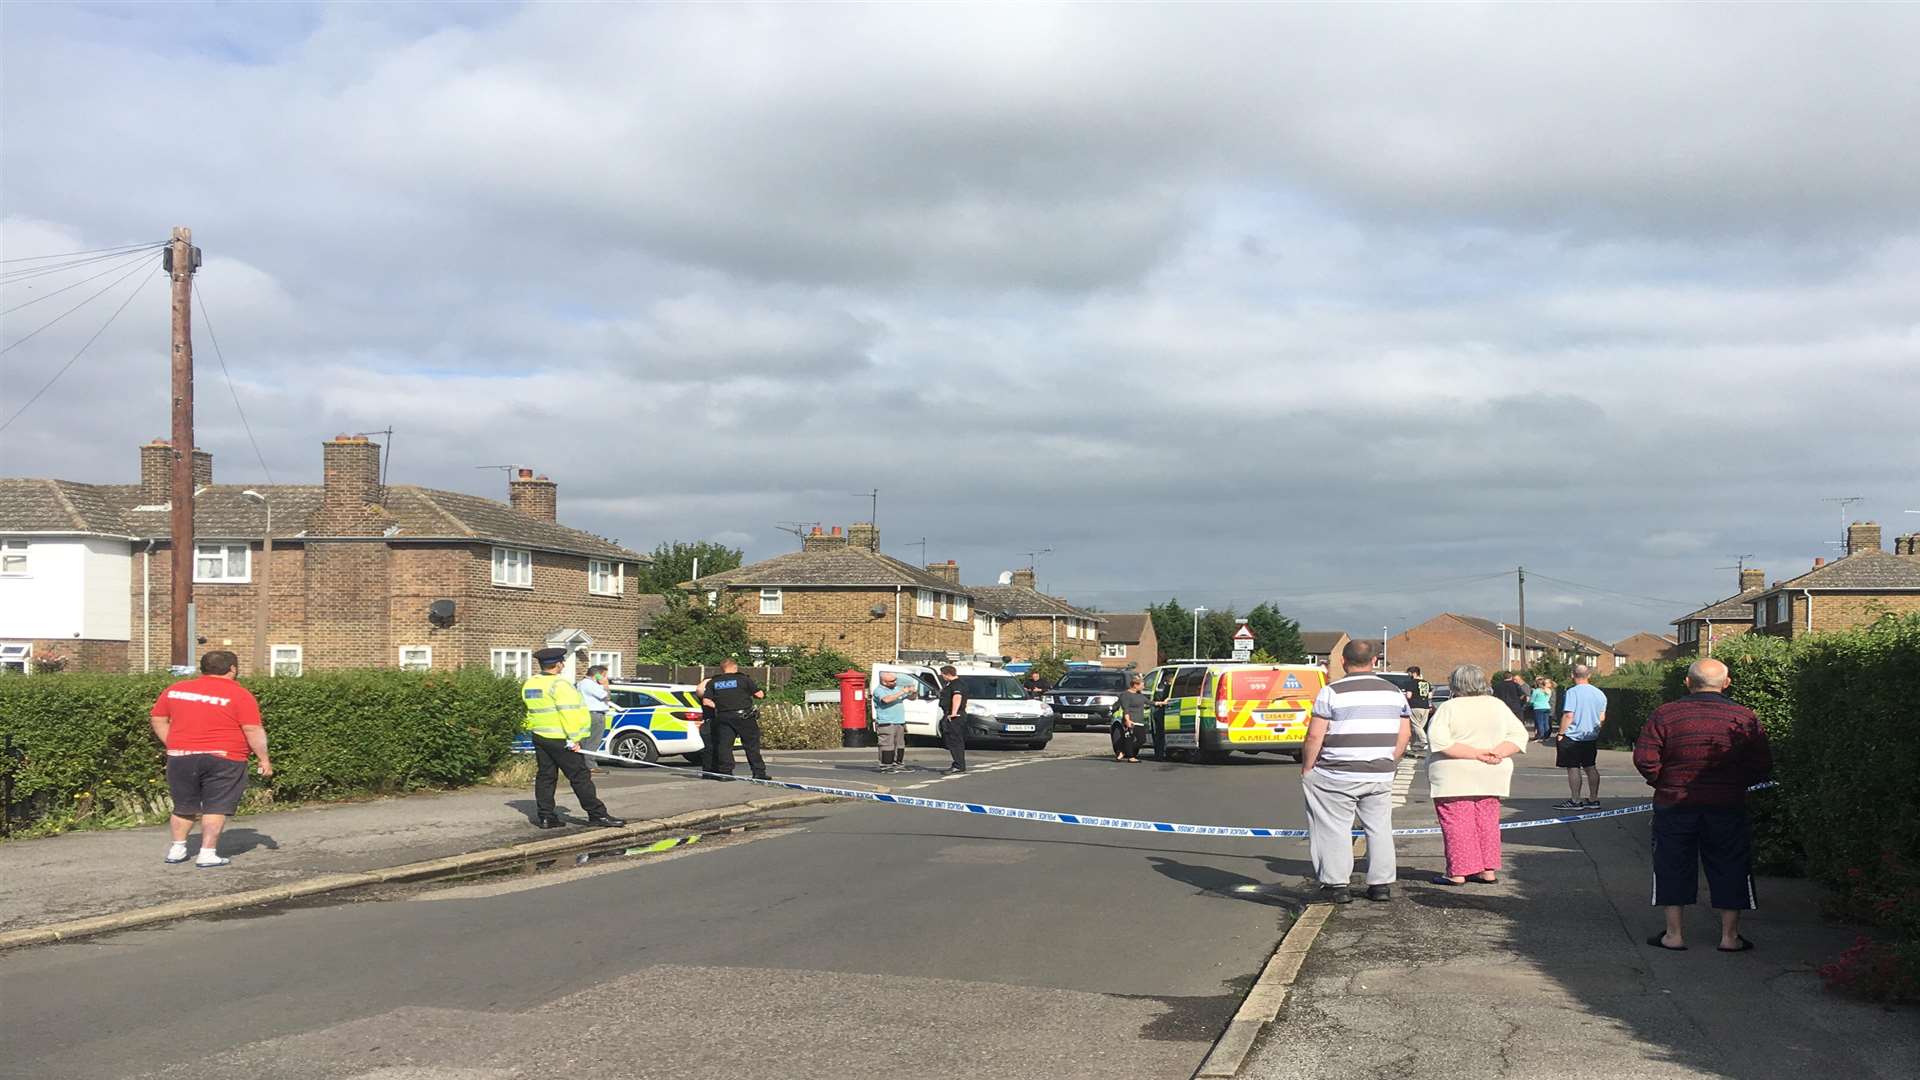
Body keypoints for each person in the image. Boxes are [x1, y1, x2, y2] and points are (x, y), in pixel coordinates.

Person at [1633, 658, 1772, 952]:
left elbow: (1645, 758)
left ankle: (1674, 934)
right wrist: (1736, 783)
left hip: (1674, 802)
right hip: (1727, 804)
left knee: (1672, 863)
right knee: (1731, 864)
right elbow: (1762, 763)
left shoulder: (1665, 715)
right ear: (1727, 683)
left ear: (1687, 682)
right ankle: (1729, 937)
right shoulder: (1744, 718)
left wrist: (1665, 781)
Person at [1301, 639, 1410, 903]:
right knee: (1379, 828)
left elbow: (1315, 736)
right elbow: (1404, 735)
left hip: (1337, 773)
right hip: (1380, 773)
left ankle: (1338, 886)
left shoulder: (1331, 692)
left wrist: (1307, 768)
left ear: (1343, 662)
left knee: (1334, 828)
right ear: (1375, 662)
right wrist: (1388, 761)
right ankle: (1380, 884)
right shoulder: (1394, 692)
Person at [149, 650, 271, 867]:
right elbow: (252, 729)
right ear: (232, 669)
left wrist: (174, 743)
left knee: (184, 805)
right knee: (216, 805)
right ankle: (207, 853)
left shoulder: (176, 690)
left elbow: (158, 718)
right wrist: (264, 759)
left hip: (181, 756)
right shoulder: (240, 695)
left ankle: (177, 849)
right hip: (225, 757)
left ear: (203, 668)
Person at [1425, 665, 1531, 885]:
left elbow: (1440, 741)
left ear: (1455, 684)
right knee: (1487, 821)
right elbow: (1519, 734)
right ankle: (1487, 869)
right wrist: (1497, 753)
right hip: (1491, 772)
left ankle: (1458, 872)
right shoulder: (1497, 705)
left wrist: (1475, 753)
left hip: (1455, 775)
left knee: (1457, 822)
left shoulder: (1449, 707)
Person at [522, 647, 623, 829]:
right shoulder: (560, 685)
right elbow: (568, 713)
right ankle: (597, 814)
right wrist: (574, 739)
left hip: (540, 735)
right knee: (580, 776)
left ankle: (546, 817)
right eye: (563, 662)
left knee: (546, 776)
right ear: (558, 664)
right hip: (562, 738)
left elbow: (533, 711)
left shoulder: (531, 684)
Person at [702, 658, 769, 781]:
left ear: (722, 669)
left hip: (723, 717)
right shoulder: (743, 679)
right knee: (751, 745)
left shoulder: (714, 682)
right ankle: (758, 773)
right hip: (744, 717)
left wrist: (718, 706)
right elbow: (760, 695)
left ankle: (725, 773)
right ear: (735, 667)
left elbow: (706, 701)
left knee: (725, 746)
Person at [1554, 664, 1606, 810]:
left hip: (1573, 736)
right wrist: (1596, 731)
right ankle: (1594, 799)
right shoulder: (1599, 693)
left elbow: (1569, 714)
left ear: (1572, 675)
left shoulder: (1572, 692)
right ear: (1589, 675)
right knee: (1590, 766)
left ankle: (1575, 800)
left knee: (1573, 767)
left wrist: (1561, 733)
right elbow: (1602, 717)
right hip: (1590, 735)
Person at [871, 670, 914, 772]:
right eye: (891, 681)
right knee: (887, 745)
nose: (894, 682)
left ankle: (898, 764)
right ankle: (885, 765)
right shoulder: (879, 690)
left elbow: (911, 698)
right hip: (886, 722)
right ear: (884, 681)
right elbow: (886, 700)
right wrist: (902, 692)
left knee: (900, 745)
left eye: (895, 680)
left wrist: (912, 691)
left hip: (899, 721)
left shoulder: (896, 688)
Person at [576, 664, 611, 773]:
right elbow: (606, 696)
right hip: (595, 715)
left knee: (585, 741)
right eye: (604, 675)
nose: (606, 678)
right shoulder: (590, 684)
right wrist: (606, 685)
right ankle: (590, 765)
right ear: (597, 675)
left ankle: (584, 764)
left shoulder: (581, 683)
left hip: (586, 714)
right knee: (593, 741)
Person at [938, 664, 969, 774]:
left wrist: (954, 713)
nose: (942, 677)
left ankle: (958, 765)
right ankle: (958, 764)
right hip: (952, 714)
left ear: (947, 674)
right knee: (952, 740)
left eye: (942, 674)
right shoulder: (953, 683)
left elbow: (957, 697)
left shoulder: (956, 684)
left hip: (955, 716)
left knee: (955, 741)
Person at [1112, 674, 1147, 762]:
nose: (1144, 687)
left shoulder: (1139, 695)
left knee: (1139, 740)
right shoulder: (1126, 695)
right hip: (1131, 720)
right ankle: (1131, 757)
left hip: (1139, 720)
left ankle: (1123, 752)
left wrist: (1161, 702)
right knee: (1132, 739)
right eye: (1142, 685)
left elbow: (1149, 702)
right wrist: (1127, 720)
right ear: (1135, 685)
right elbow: (1126, 709)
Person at [1405, 665, 1432, 751]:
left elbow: (1409, 696)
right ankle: (1410, 744)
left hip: (1415, 706)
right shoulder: (1427, 683)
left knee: (1416, 726)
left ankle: (1426, 742)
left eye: (1409, 673)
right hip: (1425, 707)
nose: (1408, 675)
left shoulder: (1411, 683)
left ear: (1414, 673)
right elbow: (1430, 696)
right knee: (1418, 727)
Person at [1529, 678, 1554, 743]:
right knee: (1546, 722)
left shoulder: (1536, 691)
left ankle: (1541, 736)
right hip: (1546, 707)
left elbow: (1532, 700)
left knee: (1539, 722)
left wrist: (1531, 703)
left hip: (1538, 707)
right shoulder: (1549, 690)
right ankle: (1546, 736)